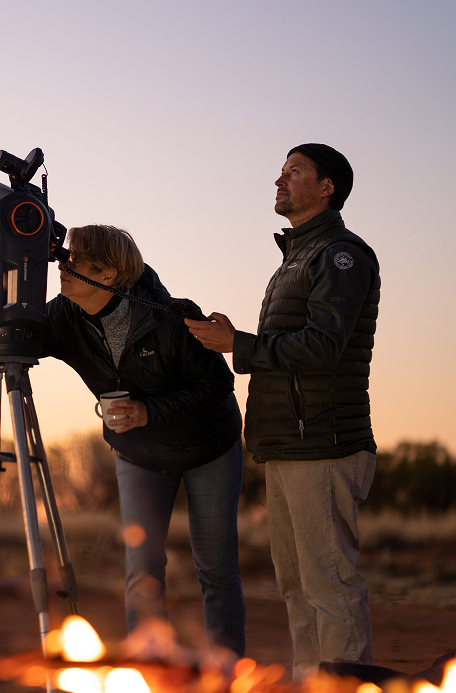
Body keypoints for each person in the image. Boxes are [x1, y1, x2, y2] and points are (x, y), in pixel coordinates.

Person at [185, 144, 380, 679]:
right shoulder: (296, 259)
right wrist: (233, 340)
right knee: (297, 588)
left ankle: (347, 688)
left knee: (329, 586)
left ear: (326, 188)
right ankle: (311, 686)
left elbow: (322, 347)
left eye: (294, 172)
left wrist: (238, 345)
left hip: (323, 443)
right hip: (287, 445)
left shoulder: (340, 255)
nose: (279, 179)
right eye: (282, 170)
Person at [43, 224, 246, 656]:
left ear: (110, 274)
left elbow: (217, 385)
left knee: (215, 568)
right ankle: (150, 673)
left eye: (75, 258)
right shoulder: (64, 313)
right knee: (142, 569)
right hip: (138, 453)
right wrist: (11, 259)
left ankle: (226, 673)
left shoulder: (171, 315)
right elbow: (10, 331)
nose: (64, 263)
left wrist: (148, 411)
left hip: (207, 446)